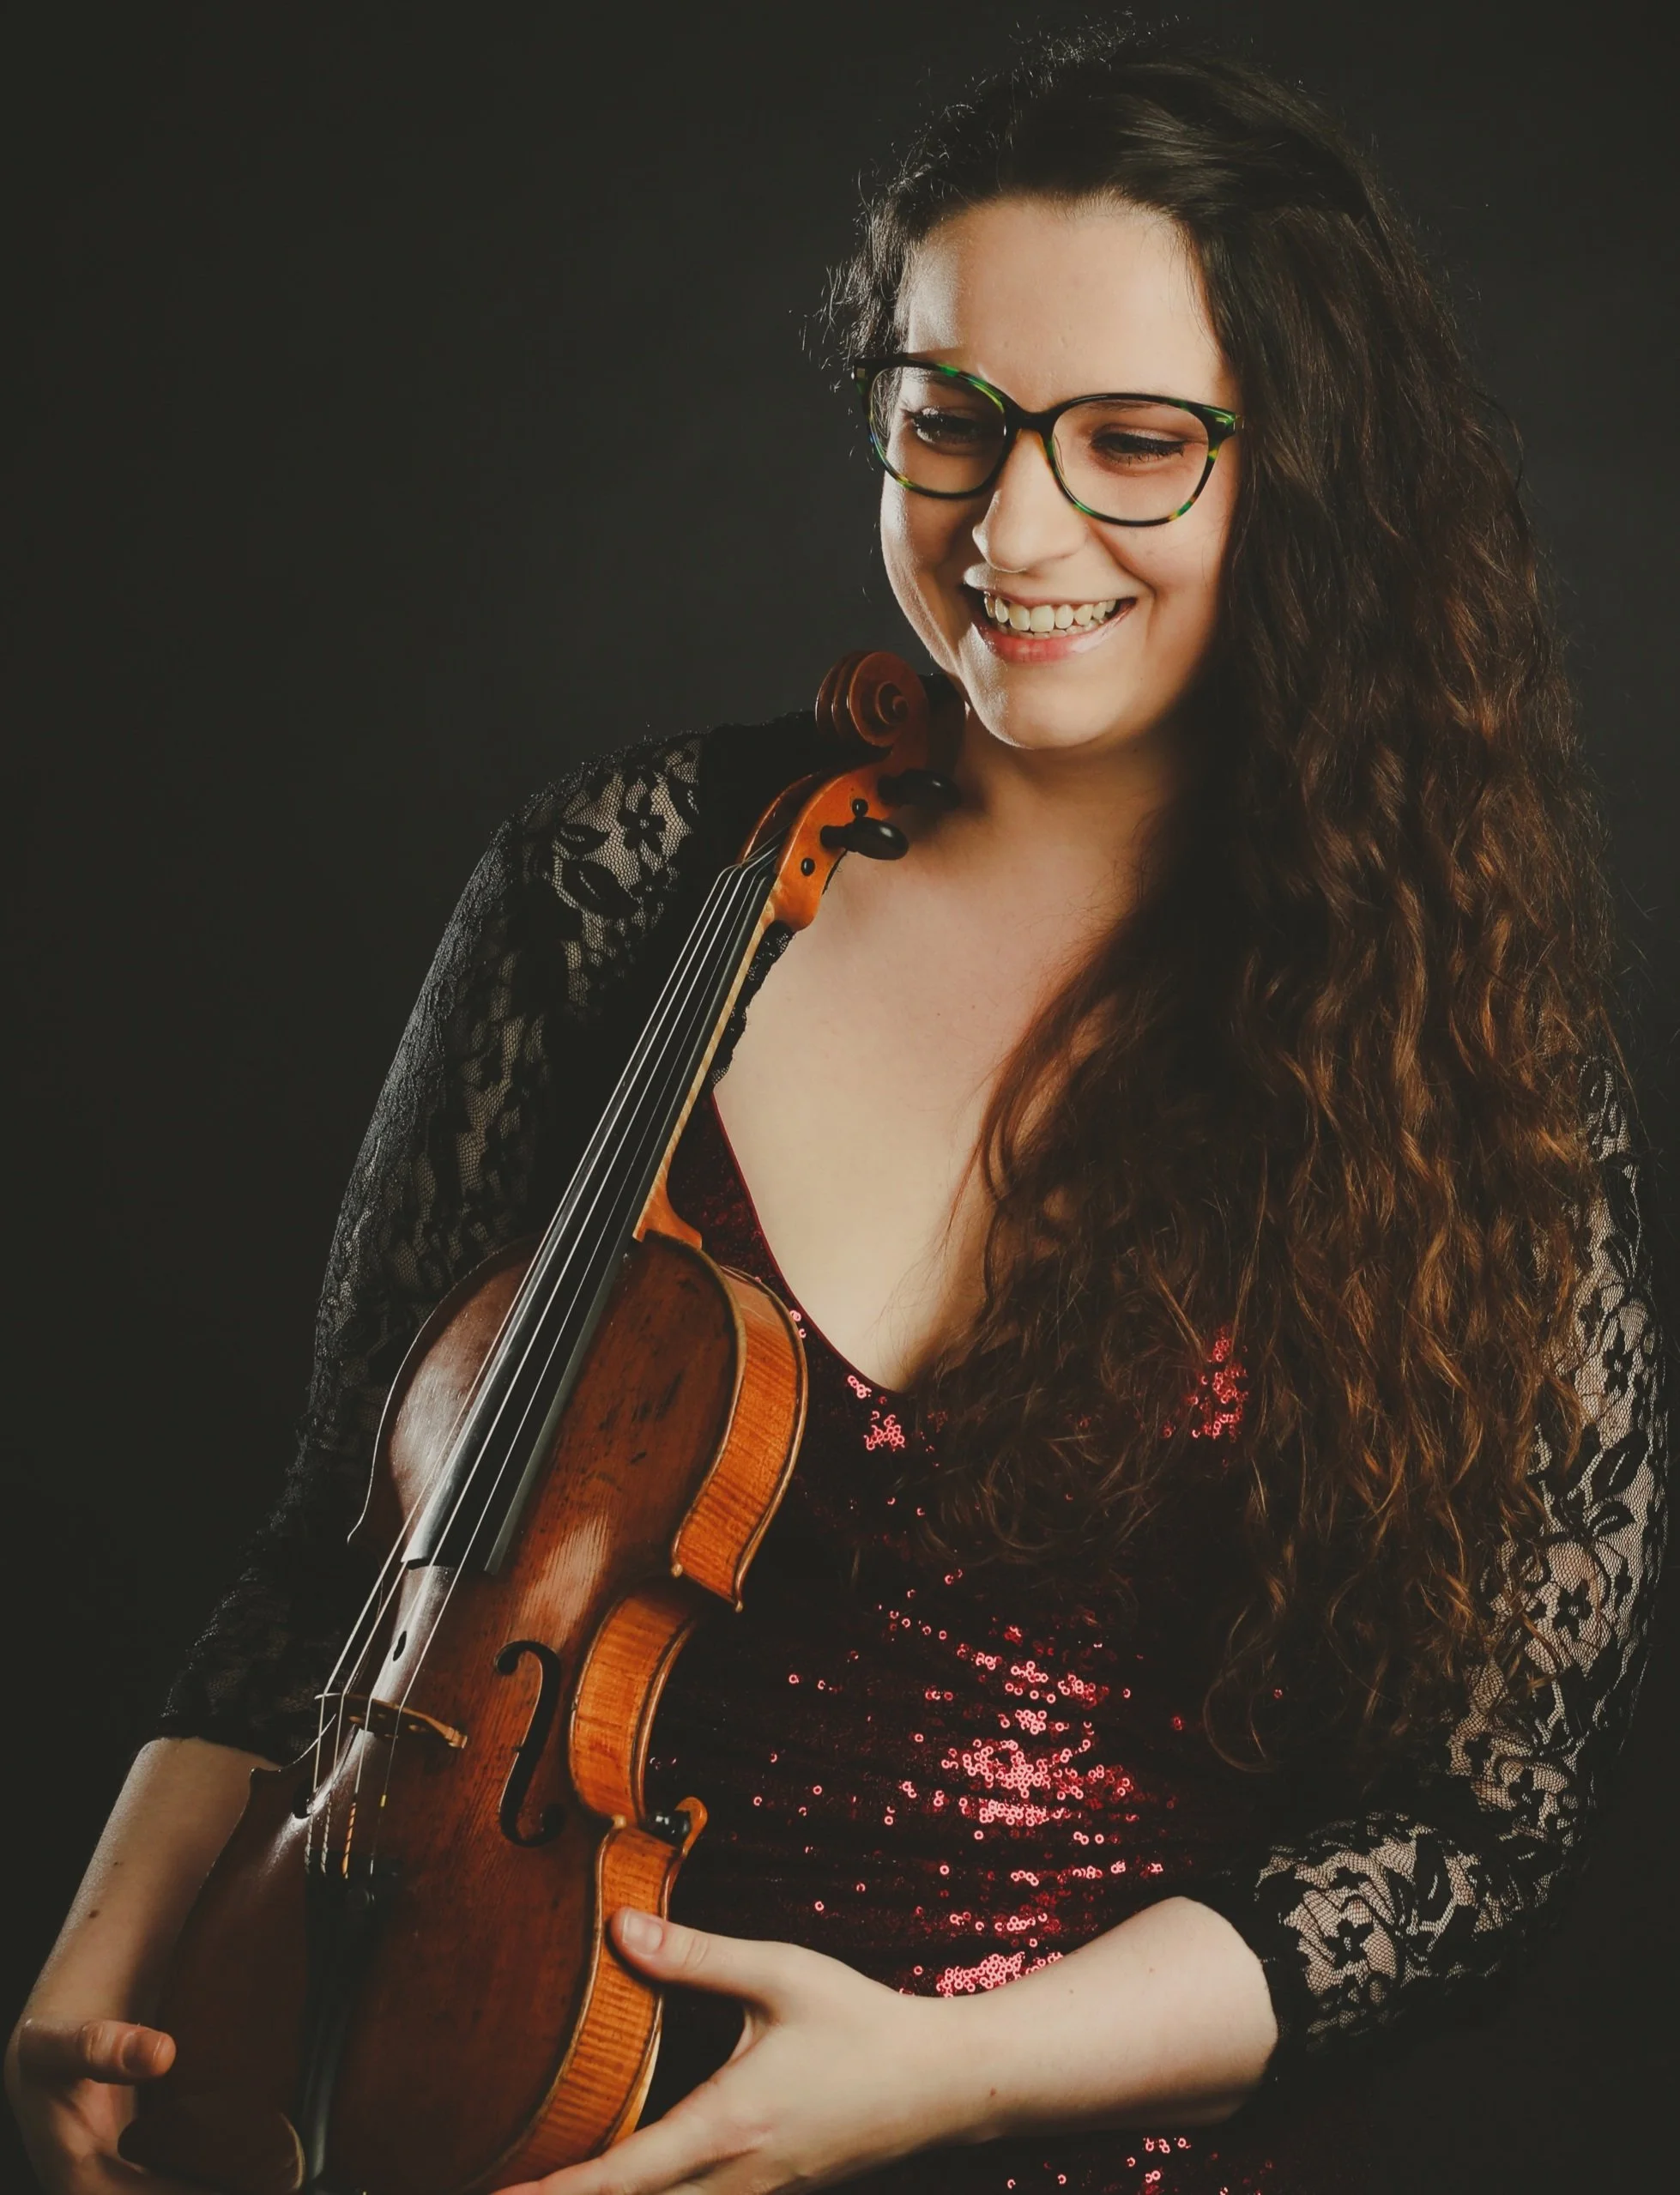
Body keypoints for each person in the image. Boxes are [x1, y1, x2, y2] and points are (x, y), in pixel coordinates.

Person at [8, 29, 1669, 2195]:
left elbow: (1477, 1832)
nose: (1015, 525)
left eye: (1136, 443)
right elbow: (344, 1537)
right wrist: (102, 1956)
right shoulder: (623, 884)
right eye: (946, 426)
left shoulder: (1451, 1046)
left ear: (1309, 466)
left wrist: (954, 2070)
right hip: (447, 2093)